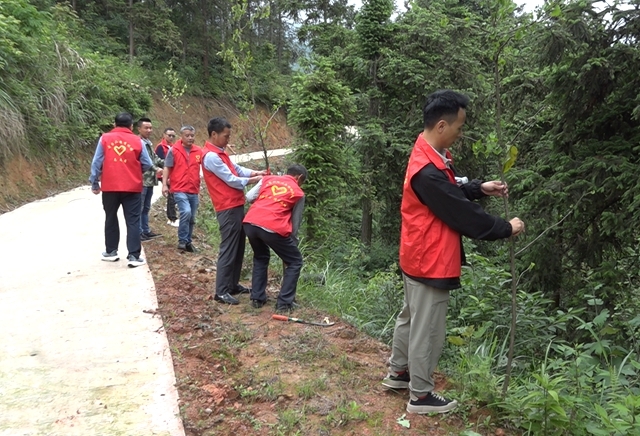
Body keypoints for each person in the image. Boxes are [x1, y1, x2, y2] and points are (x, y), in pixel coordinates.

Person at [382, 90, 525, 414]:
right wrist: (506, 227)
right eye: (460, 128)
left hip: (416, 254)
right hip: (431, 259)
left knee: (410, 318)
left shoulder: (426, 153)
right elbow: (461, 214)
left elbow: (447, 193)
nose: (461, 134)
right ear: (443, 125)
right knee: (428, 328)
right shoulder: (428, 170)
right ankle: (420, 396)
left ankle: (399, 373)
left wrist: (477, 187)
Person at [202, 117, 266, 305]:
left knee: (238, 247)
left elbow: (237, 168)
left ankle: (232, 284)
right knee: (229, 249)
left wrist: (255, 173)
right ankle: (221, 291)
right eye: (225, 136)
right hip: (227, 208)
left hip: (235, 205)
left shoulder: (220, 153)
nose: (228, 139)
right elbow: (231, 179)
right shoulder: (211, 156)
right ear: (214, 134)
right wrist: (256, 181)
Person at [89, 112, 153, 268]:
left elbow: (97, 162)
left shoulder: (105, 139)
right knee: (133, 221)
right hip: (132, 187)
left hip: (110, 187)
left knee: (110, 217)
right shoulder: (137, 141)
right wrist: (135, 172)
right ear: (131, 126)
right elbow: (148, 164)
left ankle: (111, 252)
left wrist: (94, 182)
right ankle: (133, 256)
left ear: (114, 124)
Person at [243, 165, 307, 311]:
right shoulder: (298, 193)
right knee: (295, 261)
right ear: (299, 178)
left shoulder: (268, 179)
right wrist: (293, 241)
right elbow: (295, 223)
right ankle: (284, 302)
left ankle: (257, 298)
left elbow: (249, 197)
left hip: (250, 223)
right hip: (272, 227)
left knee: (260, 257)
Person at [162, 125, 203, 252]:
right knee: (186, 212)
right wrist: (164, 184)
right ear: (182, 136)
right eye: (187, 135)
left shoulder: (198, 151)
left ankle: (188, 242)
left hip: (193, 189)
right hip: (179, 188)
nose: (190, 138)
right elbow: (167, 167)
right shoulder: (174, 150)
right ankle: (182, 240)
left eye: (192, 135)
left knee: (191, 218)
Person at [138, 117, 164, 241]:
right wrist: (156, 169)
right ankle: (139, 232)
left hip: (149, 180)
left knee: (146, 207)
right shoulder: (138, 143)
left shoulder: (148, 142)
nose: (149, 130)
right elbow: (145, 161)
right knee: (140, 207)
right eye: (146, 128)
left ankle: (145, 230)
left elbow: (155, 158)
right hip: (142, 180)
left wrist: (169, 164)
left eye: (150, 128)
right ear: (139, 129)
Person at [156, 127, 179, 227]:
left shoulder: (172, 146)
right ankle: (172, 218)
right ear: (164, 135)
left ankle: (172, 217)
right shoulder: (160, 147)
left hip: (171, 174)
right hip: (163, 174)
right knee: (171, 194)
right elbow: (161, 162)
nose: (171, 137)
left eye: (173, 136)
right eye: (169, 135)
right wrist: (167, 177)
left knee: (172, 194)